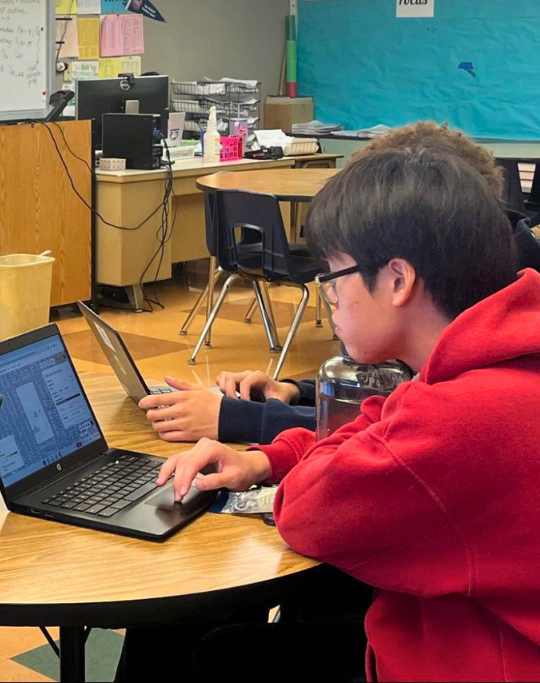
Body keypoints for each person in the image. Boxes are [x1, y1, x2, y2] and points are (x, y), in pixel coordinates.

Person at [153, 137, 540, 681]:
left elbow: (306, 512)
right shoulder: (495, 357)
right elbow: (376, 424)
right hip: (469, 636)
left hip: (475, 661)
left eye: (333, 277)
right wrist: (269, 459)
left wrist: (303, 461)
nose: (328, 298)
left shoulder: (460, 414)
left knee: (218, 653)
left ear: (398, 280)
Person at [144, 122, 540, 445]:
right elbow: (386, 395)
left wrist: (242, 419)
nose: (331, 293)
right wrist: (297, 392)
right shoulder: (492, 289)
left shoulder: (481, 383)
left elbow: (395, 431)